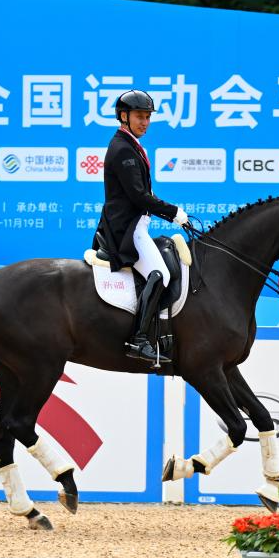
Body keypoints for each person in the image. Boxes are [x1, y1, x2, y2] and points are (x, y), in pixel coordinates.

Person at [92, 89, 188, 364]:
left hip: (136, 224)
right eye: (139, 117)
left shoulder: (130, 144)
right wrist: (173, 213)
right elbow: (138, 196)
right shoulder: (123, 148)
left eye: (147, 117)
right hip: (126, 229)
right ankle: (140, 339)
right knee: (160, 274)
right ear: (124, 116)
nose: (145, 122)